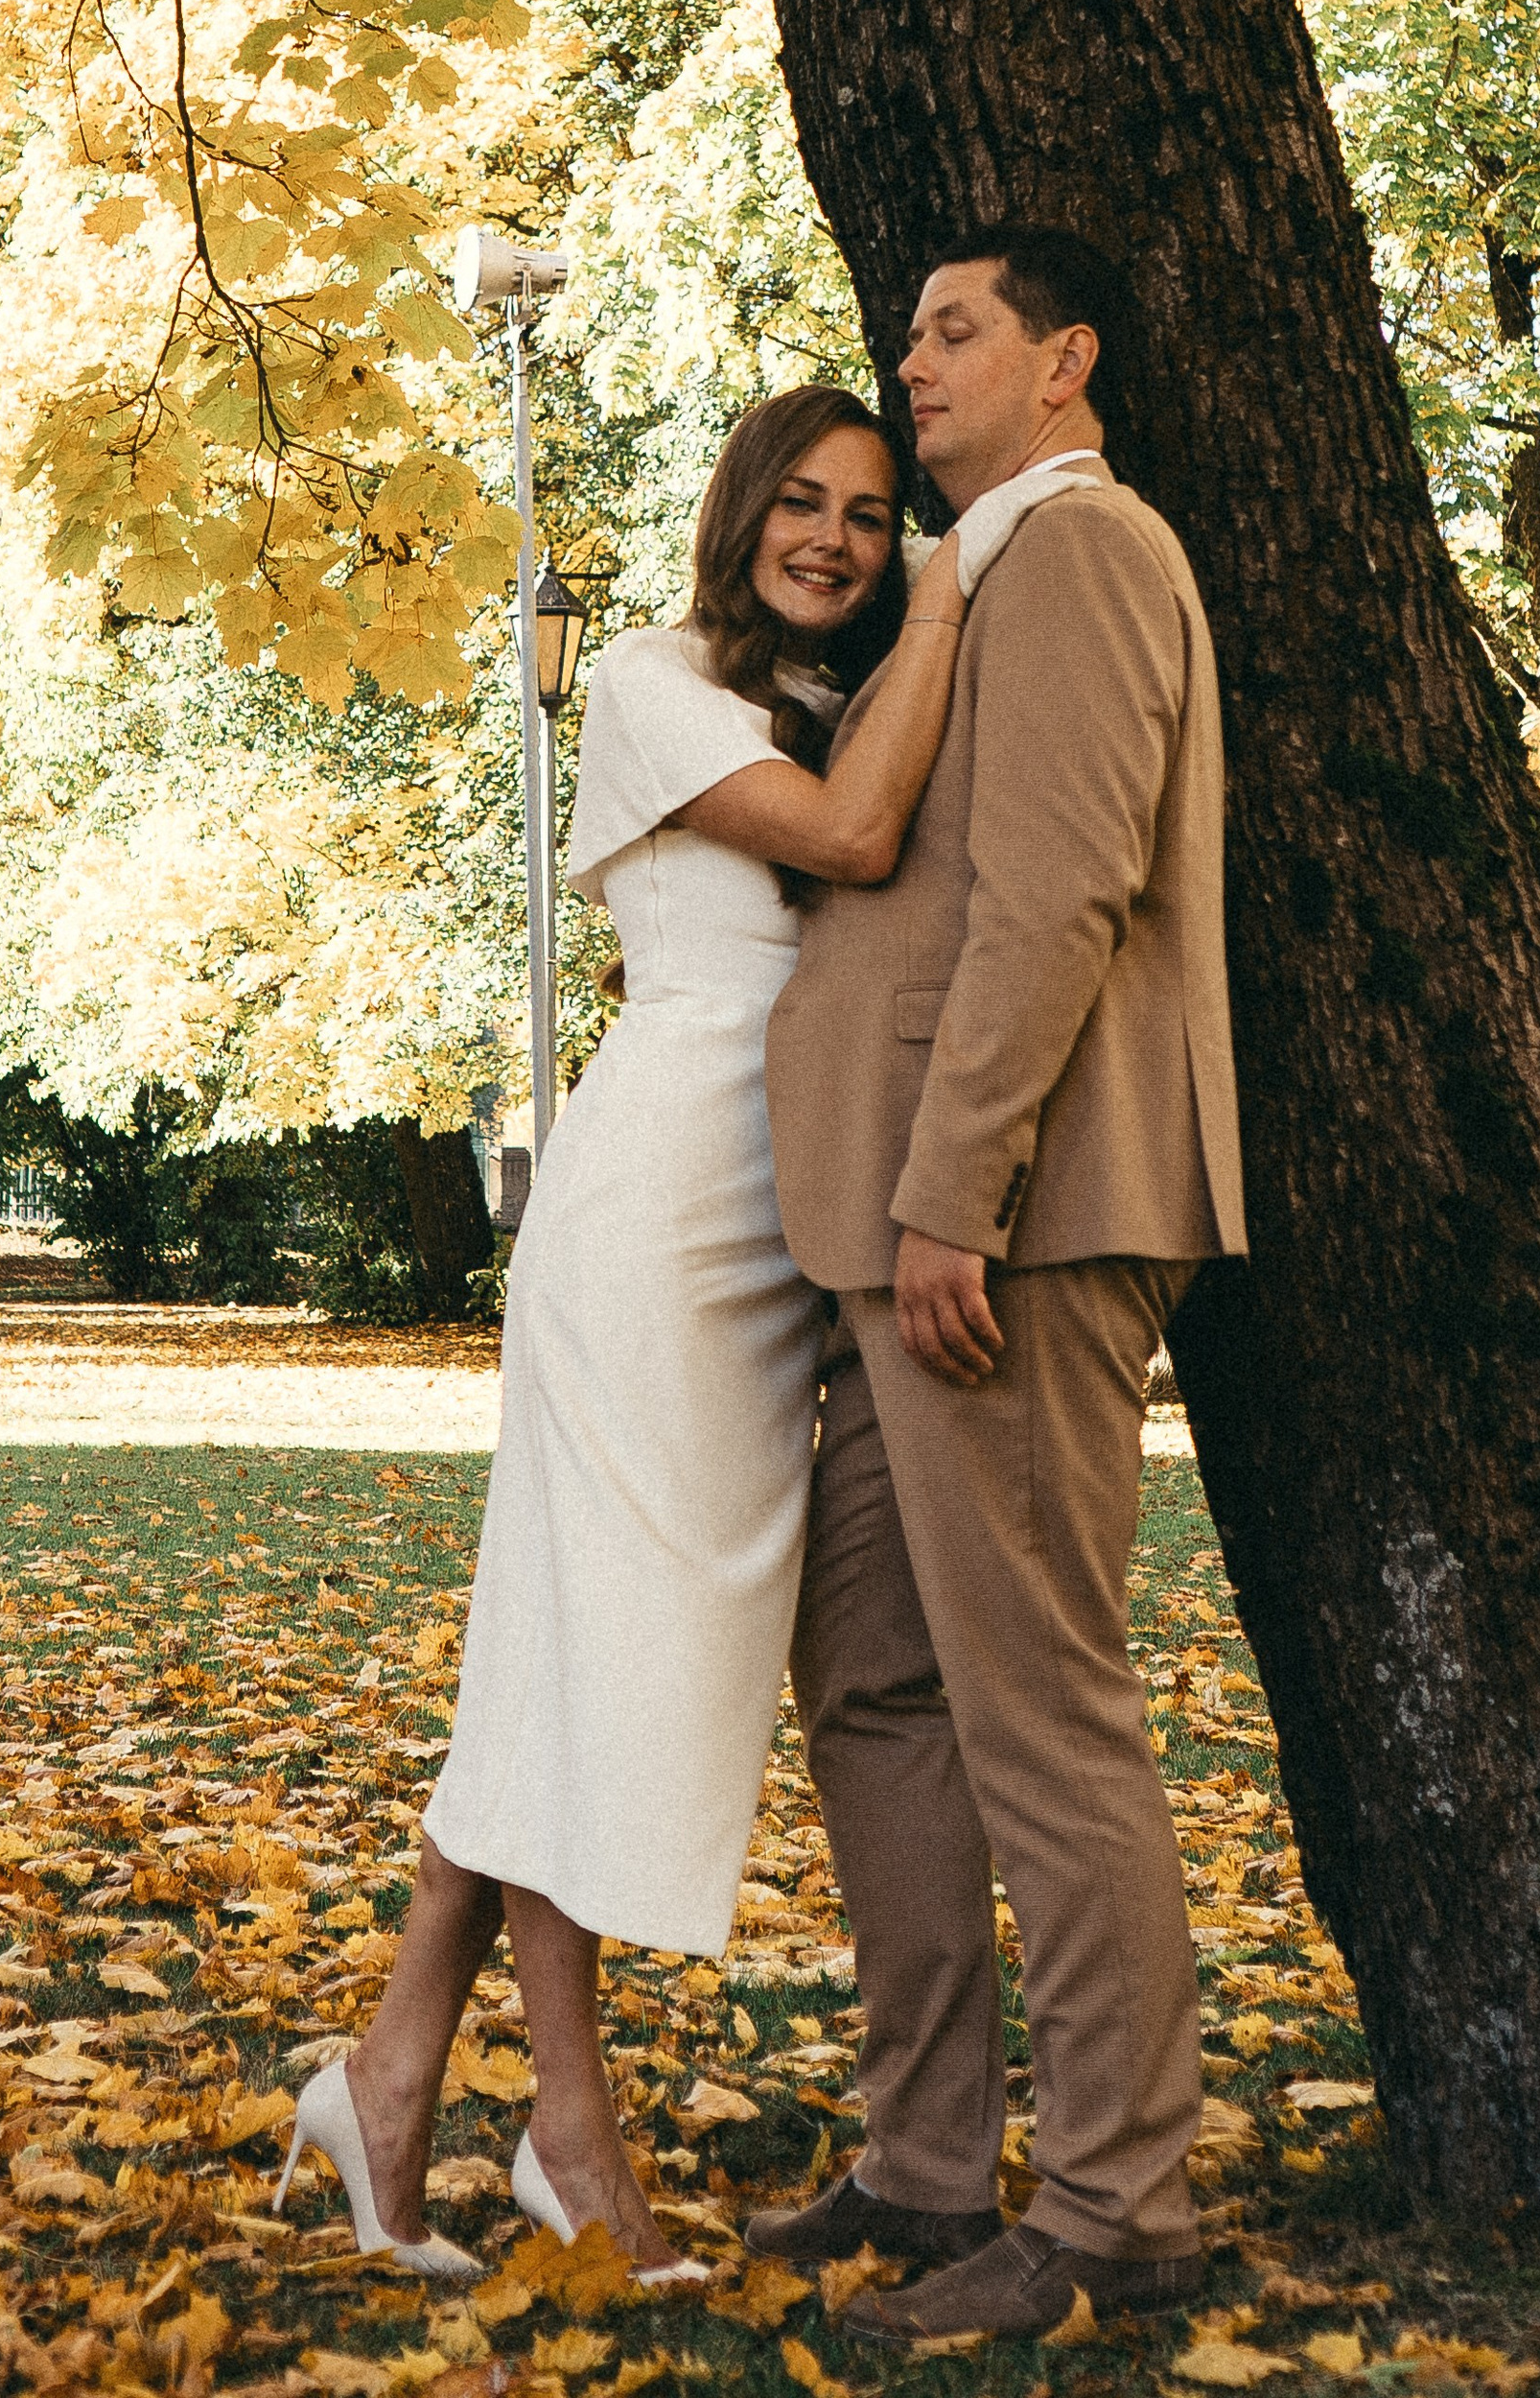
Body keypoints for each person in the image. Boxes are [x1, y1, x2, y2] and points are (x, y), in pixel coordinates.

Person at [273, 384, 995, 2278]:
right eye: (804, 504)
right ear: (741, 506)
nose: (833, 538)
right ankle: (569, 2145)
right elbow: (846, 844)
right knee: (601, 1663)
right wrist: (952, 592)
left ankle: (391, 2078)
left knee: (570, 1660)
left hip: (784, 1242)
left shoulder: (846, 688)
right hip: (653, 1223)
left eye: (867, 512)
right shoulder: (651, 681)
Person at [751, 227, 1248, 2344]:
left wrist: (953, 1188)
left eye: (956, 329)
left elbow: (1059, 888)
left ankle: (1123, 2209)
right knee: (867, 1681)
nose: (913, 358)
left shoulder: (1085, 549)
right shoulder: (970, 575)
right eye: (906, 328)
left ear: (1065, 362)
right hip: (896, 1239)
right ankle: (927, 2161)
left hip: (1008, 1227)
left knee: (1042, 1716)